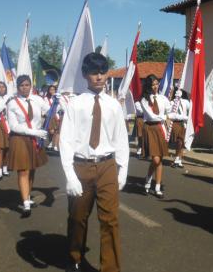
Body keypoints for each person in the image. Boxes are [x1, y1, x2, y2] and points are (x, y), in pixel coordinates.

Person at [59, 52, 129, 272]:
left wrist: (123, 169)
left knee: (110, 220)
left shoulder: (114, 105)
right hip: (82, 165)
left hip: (107, 165)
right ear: (84, 74)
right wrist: (70, 176)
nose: (99, 77)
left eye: (102, 72)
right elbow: (66, 141)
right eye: (93, 72)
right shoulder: (75, 104)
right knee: (78, 217)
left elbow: (121, 139)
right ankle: (75, 256)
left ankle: (111, 268)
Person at [6, 75, 49, 218]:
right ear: (17, 87)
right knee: (23, 171)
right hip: (20, 139)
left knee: (32, 169)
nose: (24, 88)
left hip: (35, 140)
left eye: (27, 85)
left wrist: (59, 101)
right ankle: (25, 204)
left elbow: (49, 111)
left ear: (31, 86)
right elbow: (14, 126)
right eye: (22, 85)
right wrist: (34, 131)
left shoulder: (37, 99)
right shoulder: (12, 103)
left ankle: (28, 196)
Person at [140, 74, 171, 198]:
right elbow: (152, 115)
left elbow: (169, 111)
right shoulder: (144, 100)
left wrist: (173, 106)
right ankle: (148, 178)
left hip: (161, 128)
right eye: (153, 84)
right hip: (150, 128)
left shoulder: (163, 98)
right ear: (148, 85)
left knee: (160, 158)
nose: (155, 86)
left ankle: (157, 187)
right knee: (155, 159)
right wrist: (165, 117)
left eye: (157, 84)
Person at [168, 86, 190, 168]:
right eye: (177, 91)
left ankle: (179, 160)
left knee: (182, 142)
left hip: (183, 124)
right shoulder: (172, 103)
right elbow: (171, 115)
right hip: (176, 124)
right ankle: (177, 158)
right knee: (178, 142)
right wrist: (183, 117)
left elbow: (190, 110)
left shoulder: (185, 102)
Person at [44, 85, 61, 151]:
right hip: (50, 116)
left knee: (56, 131)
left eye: (53, 89)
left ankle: (53, 144)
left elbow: (60, 107)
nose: (52, 91)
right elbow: (46, 107)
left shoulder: (58, 98)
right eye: (50, 89)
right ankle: (51, 142)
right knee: (51, 131)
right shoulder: (46, 98)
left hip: (56, 116)